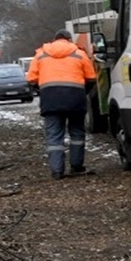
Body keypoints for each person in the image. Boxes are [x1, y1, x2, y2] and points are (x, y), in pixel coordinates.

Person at [26, 29, 97, 180]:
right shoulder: (79, 53)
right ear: (69, 39)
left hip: (50, 99)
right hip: (75, 98)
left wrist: (43, 90)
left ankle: (57, 171)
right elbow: (91, 77)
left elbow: (31, 79)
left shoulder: (41, 54)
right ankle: (76, 166)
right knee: (77, 133)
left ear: (54, 39)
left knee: (54, 136)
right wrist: (83, 92)